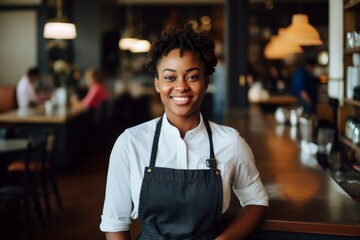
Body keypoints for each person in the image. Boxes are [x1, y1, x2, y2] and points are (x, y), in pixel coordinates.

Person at [100, 24, 269, 240]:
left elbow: (256, 201)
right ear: (157, 84)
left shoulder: (230, 142)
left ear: (205, 82)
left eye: (192, 77)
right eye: (170, 78)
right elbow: (115, 223)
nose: (181, 87)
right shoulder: (130, 142)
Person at [211, 54, 226, 124]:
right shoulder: (226, 68)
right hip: (223, 90)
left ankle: (218, 122)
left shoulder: (218, 69)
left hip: (219, 90)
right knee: (221, 107)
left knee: (217, 107)